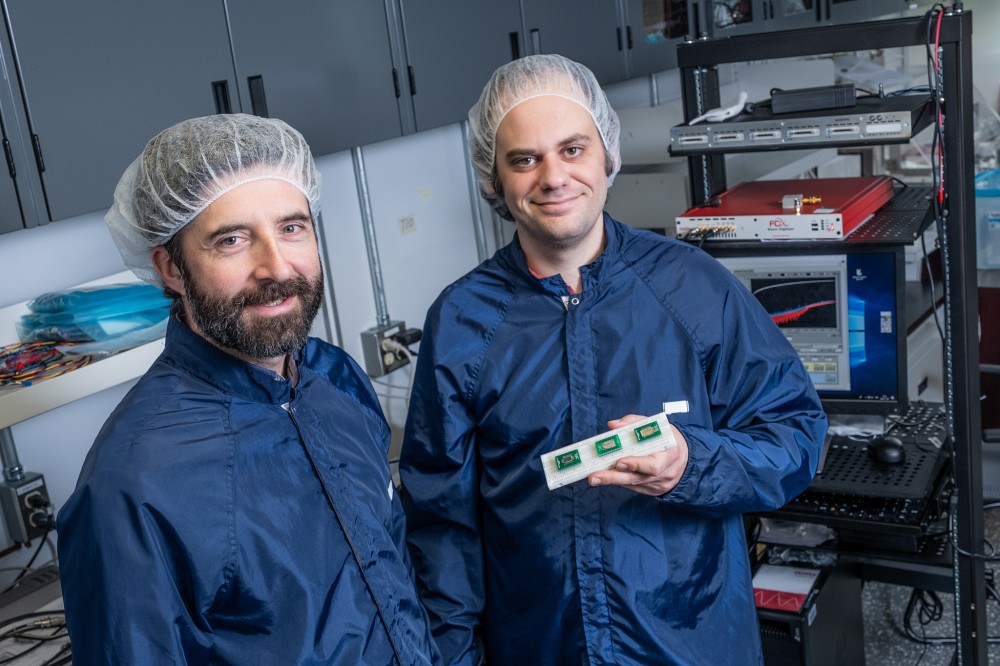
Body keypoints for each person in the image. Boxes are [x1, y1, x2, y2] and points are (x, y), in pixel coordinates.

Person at [398, 54, 828, 665]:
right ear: (493, 178)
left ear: (607, 154)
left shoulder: (693, 287)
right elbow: (443, 526)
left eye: (573, 149)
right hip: (540, 648)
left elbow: (795, 436)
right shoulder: (463, 320)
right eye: (525, 159)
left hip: (690, 643)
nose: (554, 177)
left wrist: (691, 464)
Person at [57, 114, 441, 665]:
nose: (276, 266)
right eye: (232, 239)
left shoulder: (334, 376)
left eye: (292, 228)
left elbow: (393, 572)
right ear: (171, 268)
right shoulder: (131, 486)